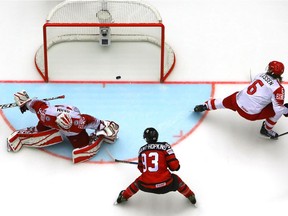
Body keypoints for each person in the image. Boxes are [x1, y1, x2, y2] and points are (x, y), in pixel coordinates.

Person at [7, 90, 119, 163]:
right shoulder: (46, 115)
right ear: (57, 122)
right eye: (62, 127)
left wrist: (103, 126)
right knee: (41, 127)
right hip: (54, 115)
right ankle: (39, 130)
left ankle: (93, 138)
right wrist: (25, 102)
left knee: (81, 144)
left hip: (71, 112)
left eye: (66, 128)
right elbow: (36, 104)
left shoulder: (79, 122)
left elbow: (94, 121)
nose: (64, 129)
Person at [193, 60, 288, 139]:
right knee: (277, 111)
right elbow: (278, 110)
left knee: (222, 102)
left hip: (236, 102)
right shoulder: (278, 89)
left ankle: (204, 106)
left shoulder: (260, 75)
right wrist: (286, 110)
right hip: (249, 114)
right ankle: (267, 130)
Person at [116, 127, 196, 205]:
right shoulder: (165, 146)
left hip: (146, 186)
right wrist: (167, 164)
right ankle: (190, 195)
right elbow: (175, 167)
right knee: (177, 180)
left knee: (137, 183)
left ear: (146, 138)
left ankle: (124, 196)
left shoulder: (141, 150)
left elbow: (141, 169)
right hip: (166, 184)